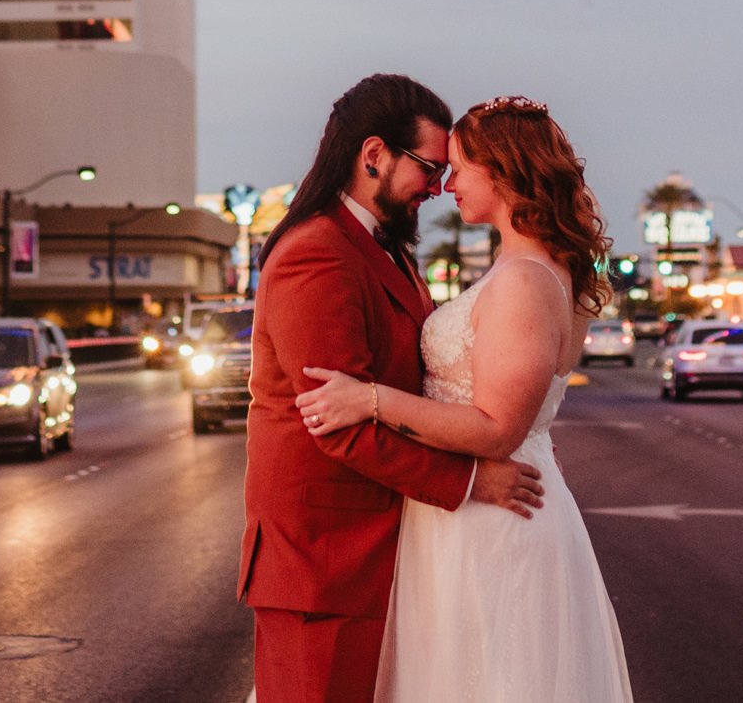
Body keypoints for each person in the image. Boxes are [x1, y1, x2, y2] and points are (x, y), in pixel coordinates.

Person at [297, 95, 634, 703]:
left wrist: (371, 400)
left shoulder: (526, 281)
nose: (446, 183)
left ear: (501, 170)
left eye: (457, 167)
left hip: (495, 520)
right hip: (473, 512)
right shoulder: (533, 269)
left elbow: (498, 429)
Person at [238, 74, 545, 703]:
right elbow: (337, 423)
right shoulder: (315, 253)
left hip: (387, 552)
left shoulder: (387, 249)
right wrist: (470, 482)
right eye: (430, 168)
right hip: (325, 564)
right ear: (373, 155)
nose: (437, 188)